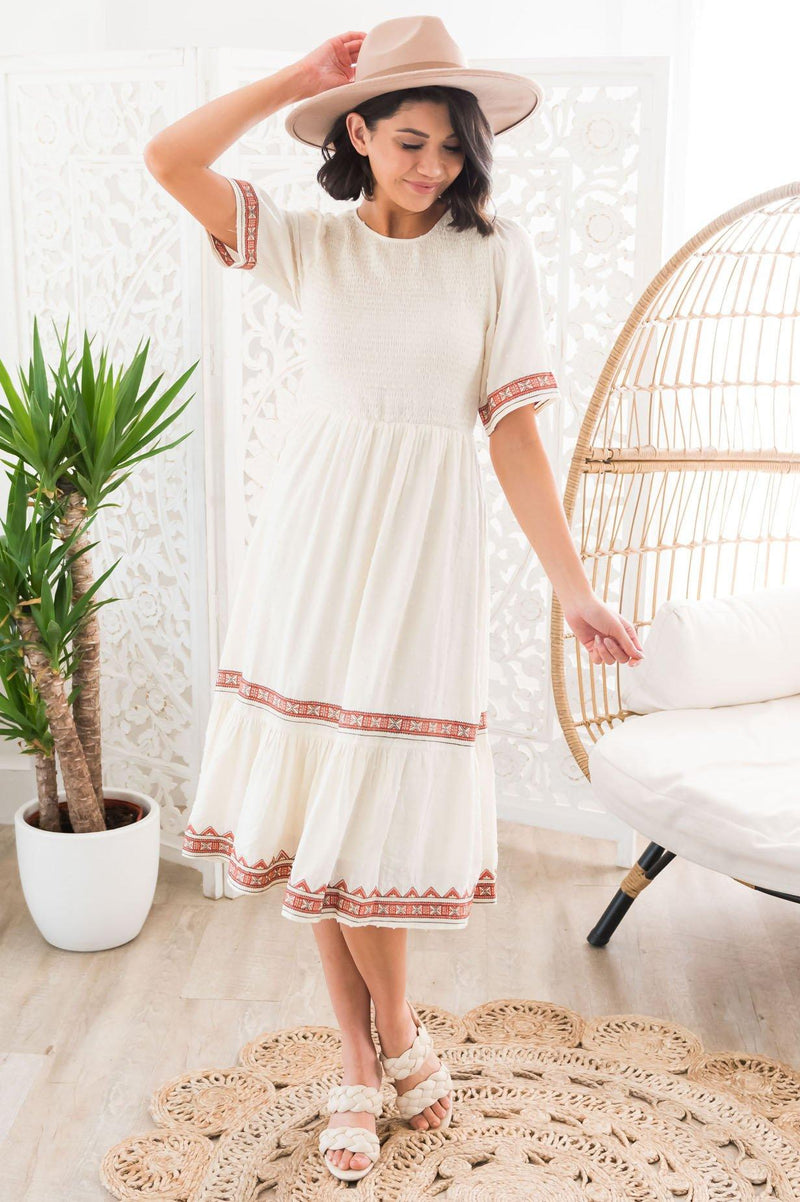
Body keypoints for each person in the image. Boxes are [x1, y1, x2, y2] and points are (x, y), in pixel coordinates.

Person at [144, 15, 644, 1184]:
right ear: (358, 134)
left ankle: (395, 1035)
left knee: (369, 801)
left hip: (423, 551)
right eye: (409, 140)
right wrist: (294, 77)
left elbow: (513, 433)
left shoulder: (493, 255)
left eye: (452, 146)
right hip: (312, 545)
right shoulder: (307, 244)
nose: (433, 165)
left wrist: (571, 588)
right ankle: (364, 1055)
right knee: (321, 797)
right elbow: (168, 158)